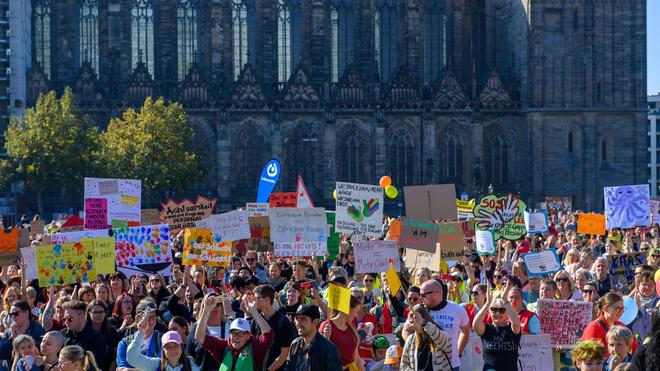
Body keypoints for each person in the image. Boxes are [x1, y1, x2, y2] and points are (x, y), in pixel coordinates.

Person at [195, 294, 274, 371]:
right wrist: (206, 310)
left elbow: (268, 335)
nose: (236, 337)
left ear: (248, 336)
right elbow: (199, 337)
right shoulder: (223, 347)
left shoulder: (255, 348)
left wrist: (254, 312)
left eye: (240, 334)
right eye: (233, 333)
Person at [419, 279, 469, 370]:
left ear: (435, 294)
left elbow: (465, 331)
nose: (420, 298)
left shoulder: (457, 309)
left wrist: (458, 352)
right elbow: (406, 330)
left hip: (451, 365)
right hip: (427, 365)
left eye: (423, 295)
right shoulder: (419, 310)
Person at [126, 314, 200, 371]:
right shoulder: (156, 364)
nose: (173, 350)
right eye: (168, 347)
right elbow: (132, 358)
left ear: (181, 347)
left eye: (176, 345)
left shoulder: (190, 365)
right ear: (163, 350)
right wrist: (140, 333)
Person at [249, 285, 296, 371]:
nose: (253, 301)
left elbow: (284, 353)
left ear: (267, 300)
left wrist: (269, 370)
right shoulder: (255, 321)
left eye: (256, 298)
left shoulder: (283, 321)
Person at [285, 304, 341, 371]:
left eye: (303, 319)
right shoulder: (294, 344)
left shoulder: (329, 349)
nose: (298, 323)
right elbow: (288, 367)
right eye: (297, 318)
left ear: (315, 322)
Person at [473, 293, 522, 371]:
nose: (497, 313)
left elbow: (516, 322)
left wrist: (505, 301)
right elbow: (476, 324)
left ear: (507, 313)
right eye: (494, 309)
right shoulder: (486, 329)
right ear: (489, 311)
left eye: (502, 310)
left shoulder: (512, 329)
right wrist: (488, 303)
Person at [581, 293, 637, 357]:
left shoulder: (621, 325)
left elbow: (634, 347)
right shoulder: (593, 327)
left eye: (622, 308)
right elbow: (591, 355)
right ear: (606, 309)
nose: (621, 311)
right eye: (617, 308)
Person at [400, 304, 453, 371]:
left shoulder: (444, 335)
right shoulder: (410, 340)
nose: (412, 325)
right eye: (411, 322)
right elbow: (403, 364)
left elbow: (441, 339)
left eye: (415, 321)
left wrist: (424, 323)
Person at [188, 293, 233, 370]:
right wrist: (207, 309)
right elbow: (189, 355)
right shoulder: (197, 328)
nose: (215, 307)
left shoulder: (230, 325)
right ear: (204, 307)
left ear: (222, 306)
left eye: (218, 303)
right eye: (211, 304)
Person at [319, 295, 363, 370]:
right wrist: (326, 337)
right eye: (356, 312)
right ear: (348, 309)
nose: (356, 316)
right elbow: (320, 355)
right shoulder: (327, 326)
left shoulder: (352, 328)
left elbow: (356, 357)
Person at [59, 300, 106, 370]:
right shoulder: (63, 334)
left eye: (69, 319)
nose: (65, 322)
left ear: (81, 316)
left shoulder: (96, 338)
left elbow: (94, 366)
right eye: (64, 319)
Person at [85, 300, 118, 370]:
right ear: (89, 313)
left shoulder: (112, 331)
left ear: (105, 313)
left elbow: (115, 356)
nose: (98, 315)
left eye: (101, 312)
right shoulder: (83, 331)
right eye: (95, 312)